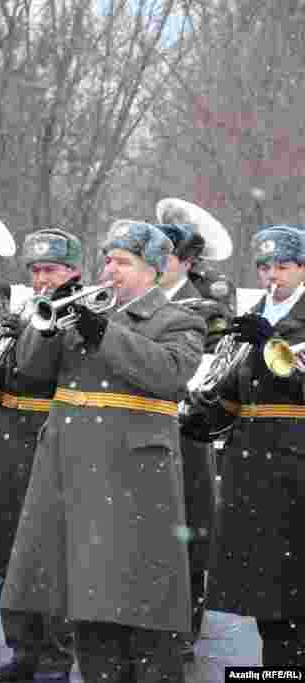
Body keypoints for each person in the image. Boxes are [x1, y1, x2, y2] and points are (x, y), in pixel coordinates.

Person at [1, 220, 204, 682]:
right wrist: (45, 327)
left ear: (152, 270)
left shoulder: (180, 319)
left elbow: (168, 373)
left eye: (123, 262)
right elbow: (32, 370)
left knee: (138, 599)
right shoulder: (87, 311)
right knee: (84, 598)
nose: (111, 270)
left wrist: (102, 334)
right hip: (71, 470)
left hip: (133, 473)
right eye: (108, 259)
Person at [0, 228, 82, 681]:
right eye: (35, 270)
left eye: (50, 270)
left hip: (51, 433)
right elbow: (4, 377)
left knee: (49, 550)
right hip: (10, 433)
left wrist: (35, 332)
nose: (41, 279)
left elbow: (58, 370)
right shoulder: (24, 307)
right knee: (7, 544)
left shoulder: (81, 311)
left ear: (73, 272)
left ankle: (56, 653)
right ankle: (22, 647)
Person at [206, 225, 305, 666]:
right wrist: (205, 410)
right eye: (265, 266)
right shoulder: (256, 312)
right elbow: (237, 389)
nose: (272, 275)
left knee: (296, 585)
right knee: (266, 591)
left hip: (297, 462)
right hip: (252, 461)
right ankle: (277, 671)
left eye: (283, 266)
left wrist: (271, 346)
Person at [155, 222, 231, 658]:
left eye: (165, 257)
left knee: (188, 535)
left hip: (186, 430)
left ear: (185, 262)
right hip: (145, 427)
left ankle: (184, 628)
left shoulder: (206, 304)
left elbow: (215, 370)